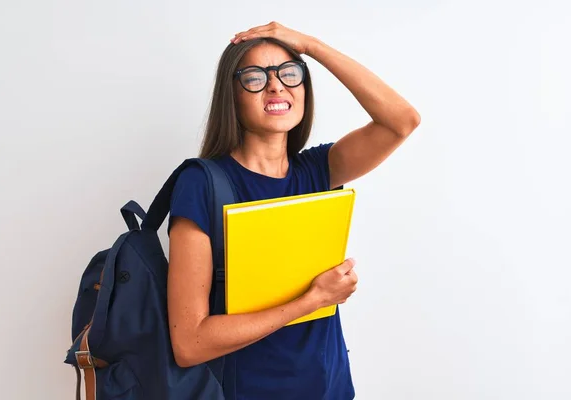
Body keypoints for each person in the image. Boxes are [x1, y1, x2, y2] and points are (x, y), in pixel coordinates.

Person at [166, 22, 420, 400]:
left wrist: (311, 46)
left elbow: (402, 121)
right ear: (231, 96)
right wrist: (312, 301)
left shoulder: (319, 170)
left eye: (289, 73)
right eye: (254, 77)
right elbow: (190, 343)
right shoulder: (202, 184)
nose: (276, 86)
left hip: (329, 389)